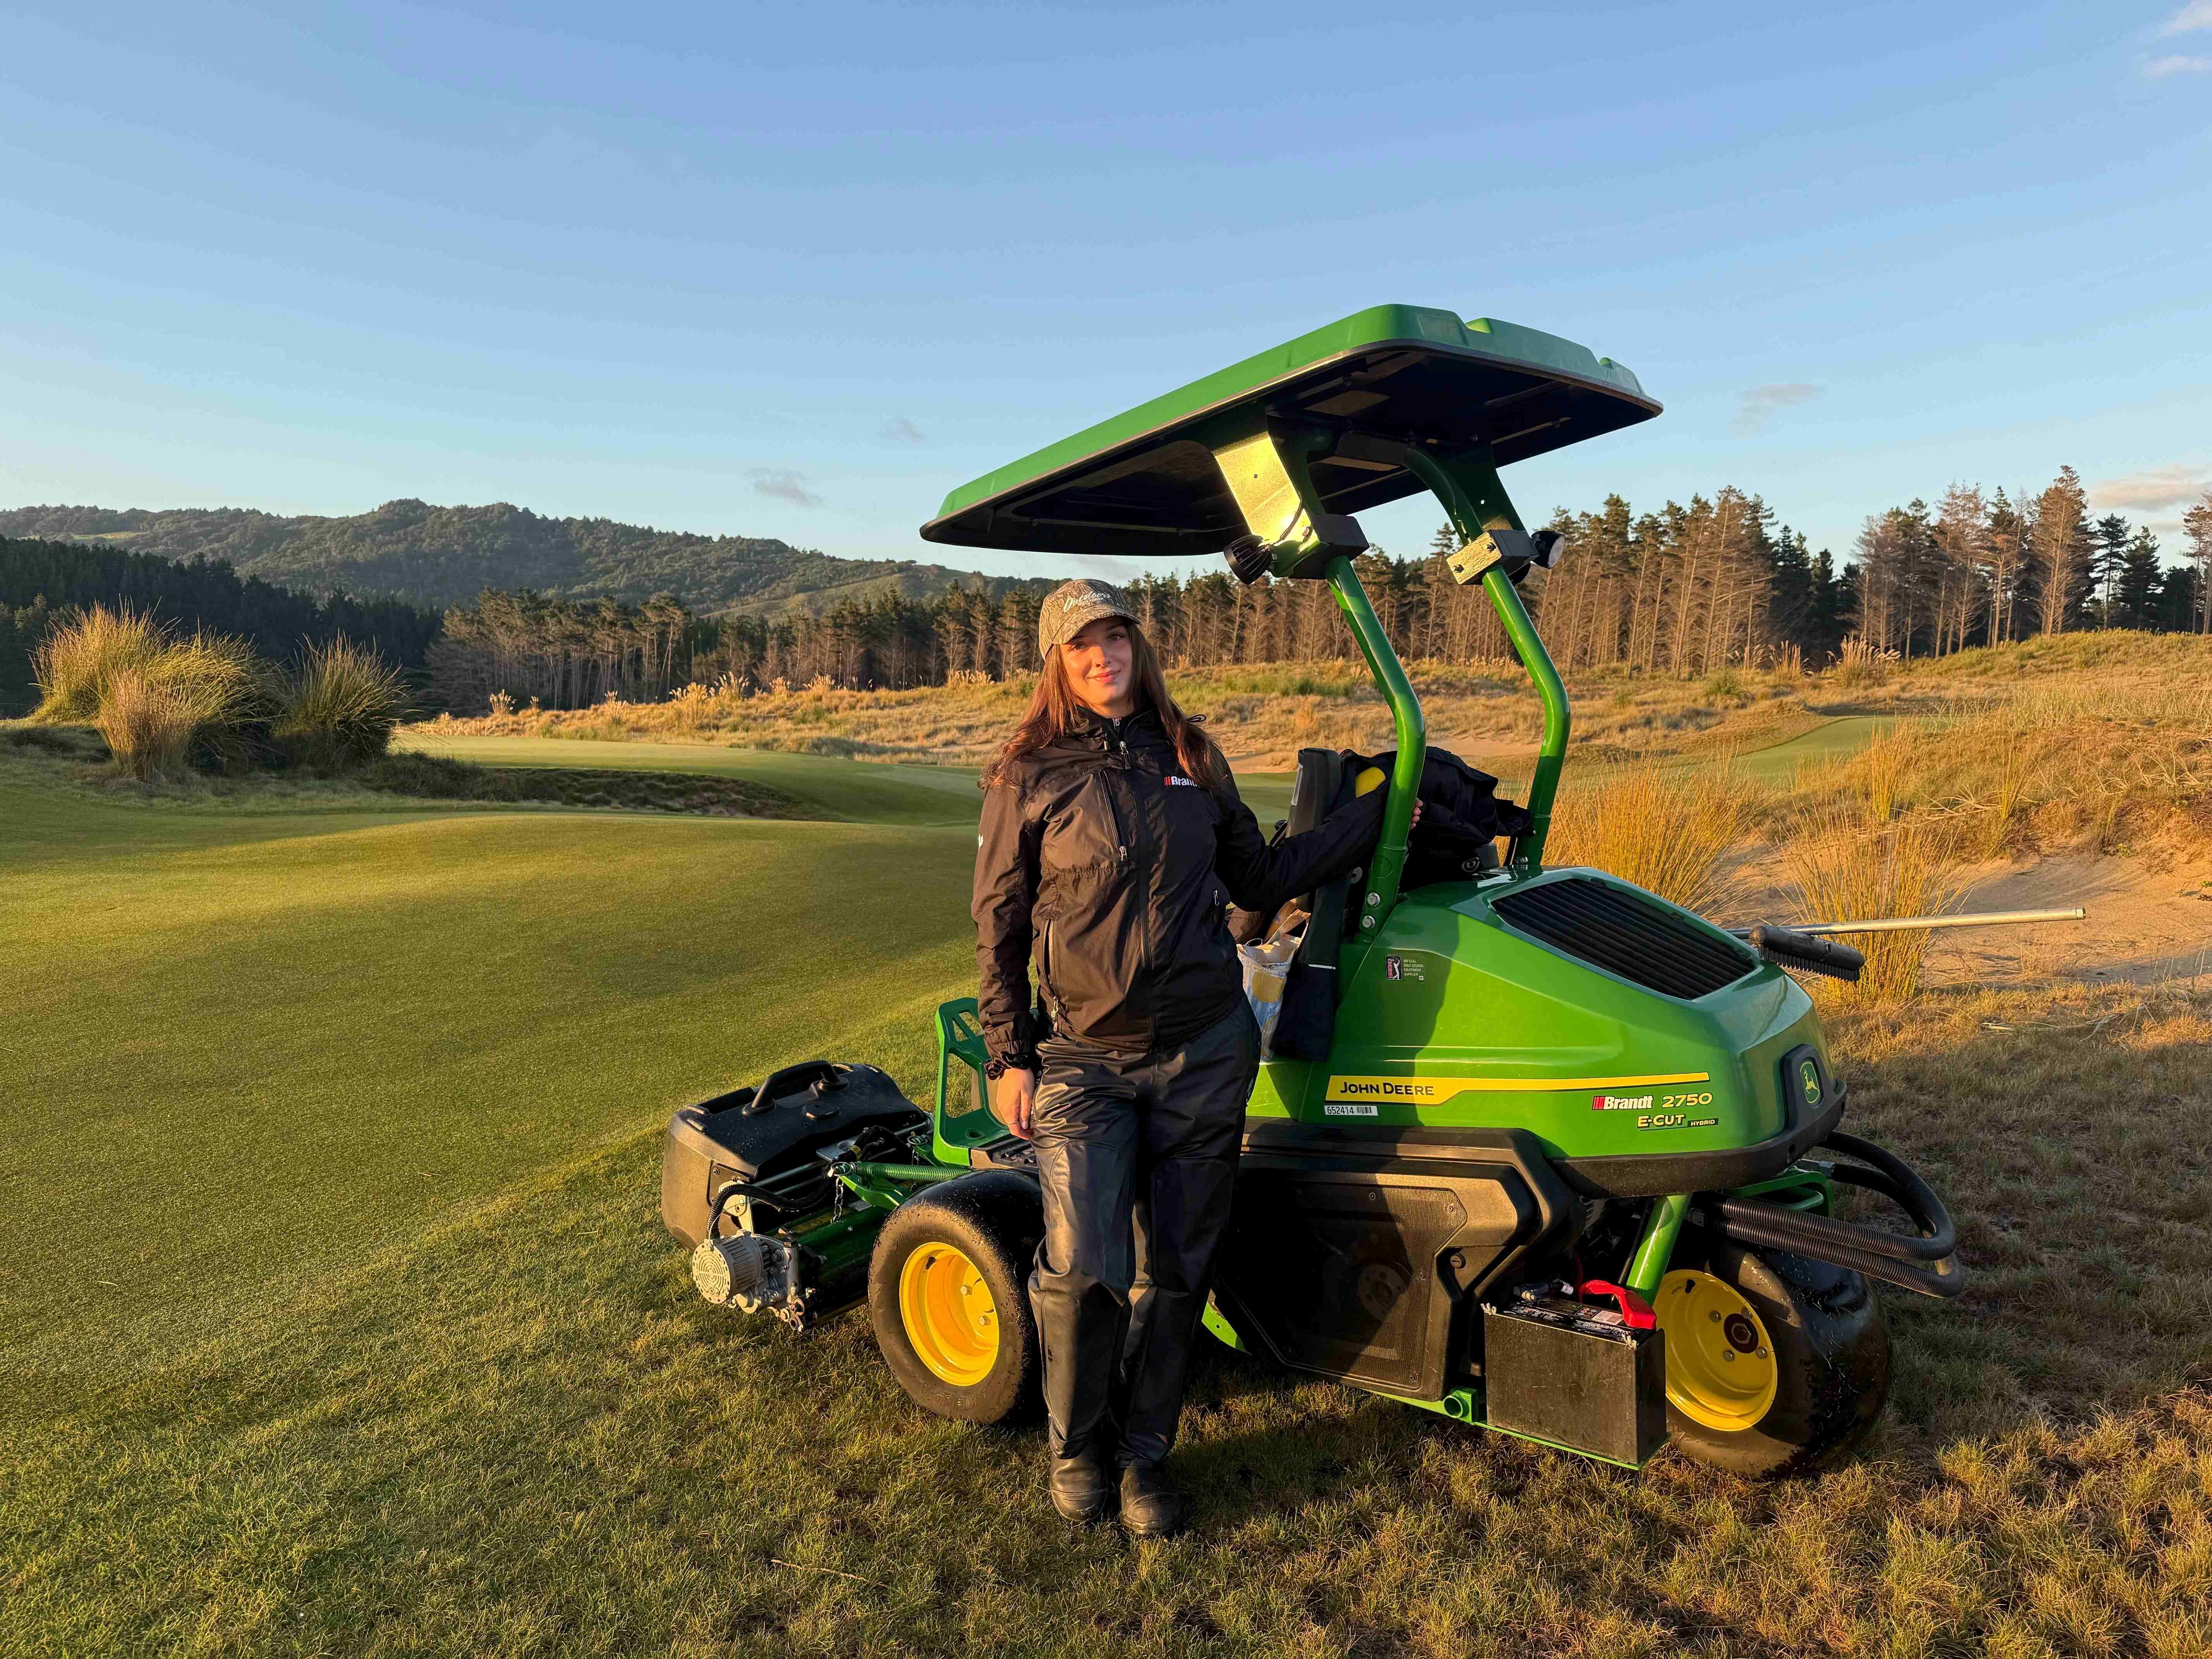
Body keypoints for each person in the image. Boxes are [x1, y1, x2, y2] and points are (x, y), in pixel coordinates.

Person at [972, 577, 1408, 1536]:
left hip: (1206, 1053)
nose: (1102, 657)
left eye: (1115, 637)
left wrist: (1376, 814)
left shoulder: (1189, 754)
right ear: (1059, 659)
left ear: (1138, 644)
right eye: (1082, 644)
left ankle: (1143, 1457)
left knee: (1178, 1267)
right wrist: (1010, 1054)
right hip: (1084, 1060)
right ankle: (1078, 1445)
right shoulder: (1028, 775)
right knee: (1086, 1263)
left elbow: (1258, 876)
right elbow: (998, 924)